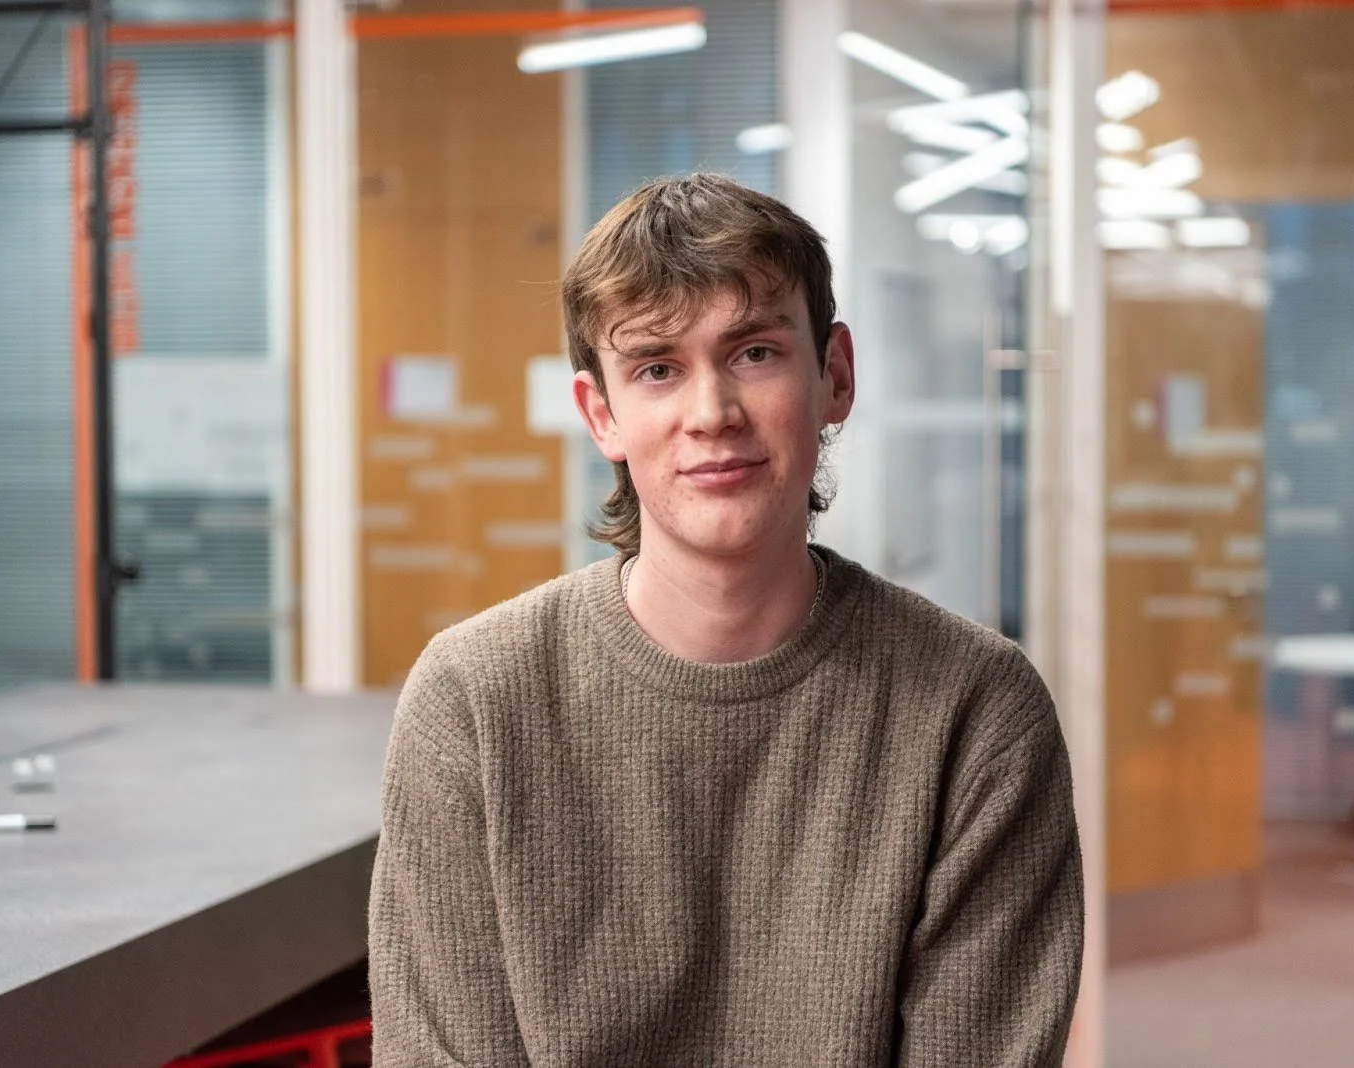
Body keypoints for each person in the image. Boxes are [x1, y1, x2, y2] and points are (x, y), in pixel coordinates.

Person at [368, 173, 1083, 1066]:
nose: (711, 414)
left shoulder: (976, 712)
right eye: (658, 369)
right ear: (602, 415)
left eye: (754, 353)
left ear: (835, 375)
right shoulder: (474, 700)